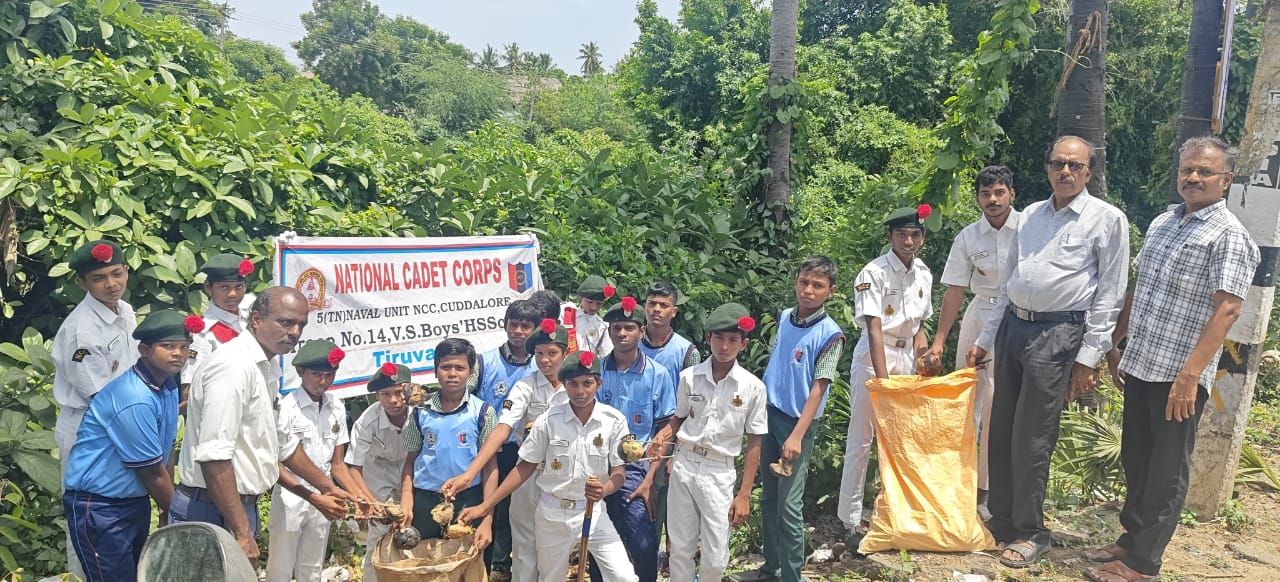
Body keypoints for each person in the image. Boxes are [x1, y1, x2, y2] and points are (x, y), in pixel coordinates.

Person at [1083, 137, 1259, 582]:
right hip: (1142, 361)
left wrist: (1191, 374)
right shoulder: (1165, 222)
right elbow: (1140, 290)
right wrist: (1114, 343)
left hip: (1179, 373)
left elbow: (1228, 310)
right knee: (1137, 457)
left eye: (1204, 172)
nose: (1194, 178)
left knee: (1166, 468)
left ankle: (1144, 563)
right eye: (1188, 170)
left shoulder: (1231, 237)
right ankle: (1130, 538)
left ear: (1226, 180)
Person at [968, 135, 1130, 569]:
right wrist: (986, 338)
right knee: (1000, 428)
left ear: (1088, 172)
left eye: (1075, 166)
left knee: (1033, 436)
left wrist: (1089, 357)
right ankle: (1000, 520)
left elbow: (1110, 293)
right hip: (1014, 328)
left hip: (1059, 334)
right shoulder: (1032, 216)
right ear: (1047, 168)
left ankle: (1030, 530)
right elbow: (1009, 282)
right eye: (1058, 163)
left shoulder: (1107, 219)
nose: (1065, 172)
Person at [173, 286, 351, 568]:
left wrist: (325, 488)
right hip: (209, 509)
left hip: (237, 508)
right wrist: (242, 534)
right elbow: (215, 455)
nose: (294, 332)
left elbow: (283, 445)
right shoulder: (233, 366)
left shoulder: (265, 368)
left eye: (300, 325)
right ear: (256, 319)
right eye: (286, 322)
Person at [457, 351, 639, 582]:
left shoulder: (613, 420)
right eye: (572, 384)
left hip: (593, 512)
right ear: (564, 384)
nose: (580, 391)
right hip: (552, 513)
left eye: (587, 383)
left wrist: (603, 490)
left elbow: (619, 473)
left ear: (598, 383)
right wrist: (486, 506)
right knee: (550, 578)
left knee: (624, 576)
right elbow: (524, 468)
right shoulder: (548, 420)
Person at [63, 309, 196, 582]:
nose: (178, 354)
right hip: (100, 506)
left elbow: (166, 451)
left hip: (133, 501)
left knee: (137, 575)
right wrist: (180, 518)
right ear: (144, 350)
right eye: (168, 346)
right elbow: (150, 472)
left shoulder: (167, 387)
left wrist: (164, 511)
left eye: (184, 347)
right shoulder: (134, 396)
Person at [735, 256, 844, 582]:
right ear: (796, 281)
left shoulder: (831, 335)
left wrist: (797, 435)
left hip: (796, 425)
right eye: (804, 282)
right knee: (768, 498)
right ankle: (771, 568)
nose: (808, 290)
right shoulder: (785, 317)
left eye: (818, 286)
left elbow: (818, 389)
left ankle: (792, 576)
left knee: (789, 506)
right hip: (767, 415)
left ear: (831, 291)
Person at [443, 318, 573, 582]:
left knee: (557, 548)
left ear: (565, 353)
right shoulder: (525, 385)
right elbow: (503, 427)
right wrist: (470, 474)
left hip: (565, 478)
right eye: (538, 354)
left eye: (552, 354)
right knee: (524, 546)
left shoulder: (577, 387)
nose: (545, 361)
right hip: (527, 475)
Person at [926, 167, 1022, 516]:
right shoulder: (968, 237)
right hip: (979, 312)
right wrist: (939, 341)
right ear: (977, 198)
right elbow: (954, 289)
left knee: (1000, 403)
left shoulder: (1030, 228)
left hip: (1018, 317)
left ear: (1012, 193)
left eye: (999, 192)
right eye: (985, 194)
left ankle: (990, 489)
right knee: (967, 400)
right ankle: (960, 483)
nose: (993, 200)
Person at [647, 303, 766, 582]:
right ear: (708, 338)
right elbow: (679, 418)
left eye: (733, 340)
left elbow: (754, 441)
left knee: (715, 557)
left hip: (719, 470)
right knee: (679, 548)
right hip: (685, 463)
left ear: (743, 343)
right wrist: (664, 435)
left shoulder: (752, 387)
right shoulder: (689, 377)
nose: (725, 346)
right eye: (719, 338)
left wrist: (744, 494)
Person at [838, 206, 934, 545]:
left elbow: (920, 327)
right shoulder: (873, 272)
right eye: (902, 235)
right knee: (861, 439)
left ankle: (892, 512)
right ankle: (849, 520)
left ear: (922, 237)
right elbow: (874, 327)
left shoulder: (924, 273)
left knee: (899, 440)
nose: (909, 241)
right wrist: (883, 382)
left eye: (915, 235)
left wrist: (924, 362)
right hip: (874, 357)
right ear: (890, 237)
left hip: (906, 355)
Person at [52, 239, 138, 580]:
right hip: (89, 428)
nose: (111, 284)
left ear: (126, 271)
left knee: (120, 514)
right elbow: (102, 397)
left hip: (123, 423)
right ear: (83, 283)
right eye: (99, 278)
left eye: (116, 274)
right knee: (87, 519)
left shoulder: (125, 311)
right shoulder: (81, 331)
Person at [591, 296, 674, 582]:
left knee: (642, 542)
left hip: (637, 468)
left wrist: (651, 479)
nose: (622, 334)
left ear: (641, 331)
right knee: (598, 541)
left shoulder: (657, 374)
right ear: (609, 331)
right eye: (616, 328)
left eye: (629, 328)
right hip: (598, 465)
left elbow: (665, 428)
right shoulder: (595, 372)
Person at [266, 338, 360, 582]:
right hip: (291, 495)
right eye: (316, 374)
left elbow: (338, 465)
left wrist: (357, 498)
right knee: (281, 567)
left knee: (312, 566)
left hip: (326, 495)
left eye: (329, 375)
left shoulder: (336, 407)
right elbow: (275, 462)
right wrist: (311, 494)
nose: (322, 381)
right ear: (300, 372)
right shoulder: (286, 408)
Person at [399, 339, 497, 548]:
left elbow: (490, 466)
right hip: (425, 500)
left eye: (460, 368)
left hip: (468, 500)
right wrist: (407, 499)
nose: (452, 373)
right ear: (435, 371)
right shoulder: (420, 412)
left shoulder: (483, 412)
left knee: (467, 563)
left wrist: (487, 518)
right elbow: (410, 461)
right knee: (425, 564)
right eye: (445, 367)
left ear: (471, 373)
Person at [473, 300, 541, 579]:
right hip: (491, 447)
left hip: (527, 449)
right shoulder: (483, 361)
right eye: (513, 324)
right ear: (505, 325)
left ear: (535, 329)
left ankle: (515, 564)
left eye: (526, 326)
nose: (519, 331)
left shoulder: (542, 363)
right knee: (490, 505)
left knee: (521, 509)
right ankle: (488, 565)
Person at [345, 361, 413, 582]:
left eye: (399, 392)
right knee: (380, 528)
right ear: (377, 396)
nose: (394, 400)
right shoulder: (366, 422)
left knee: (411, 526)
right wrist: (368, 499)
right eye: (386, 394)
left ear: (409, 390)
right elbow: (354, 467)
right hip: (378, 470)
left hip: (412, 469)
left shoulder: (421, 413)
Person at [183, 253, 256, 391]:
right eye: (224, 287)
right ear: (208, 287)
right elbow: (190, 388)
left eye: (239, 287)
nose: (232, 294)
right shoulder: (203, 334)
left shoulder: (252, 315)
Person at [572, 275, 616, 358]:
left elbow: (607, 354)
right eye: (589, 302)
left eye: (599, 303)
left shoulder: (602, 326)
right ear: (581, 298)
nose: (594, 307)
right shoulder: (567, 316)